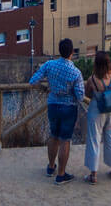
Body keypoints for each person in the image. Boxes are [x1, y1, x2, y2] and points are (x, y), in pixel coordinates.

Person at [29, 37, 84, 186]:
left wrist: (46, 89)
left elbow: (33, 81)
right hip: (68, 107)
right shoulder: (76, 72)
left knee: (53, 136)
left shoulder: (50, 65)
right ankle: (61, 175)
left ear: (59, 51)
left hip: (53, 104)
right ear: (72, 52)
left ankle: (51, 167)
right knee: (65, 140)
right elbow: (80, 96)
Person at [82, 50, 111, 185]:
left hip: (96, 111)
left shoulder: (92, 79)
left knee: (94, 141)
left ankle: (93, 174)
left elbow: (87, 93)